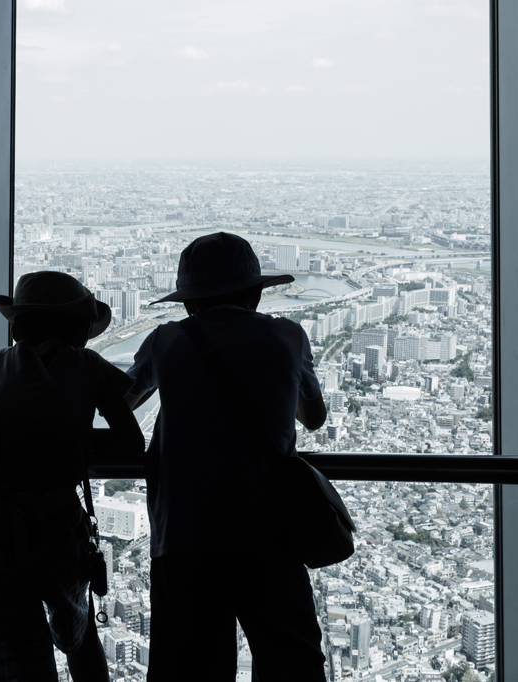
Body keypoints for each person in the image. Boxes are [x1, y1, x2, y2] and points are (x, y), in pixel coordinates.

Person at [126, 232, 328, 681]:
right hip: (271, 534)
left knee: (190, 669)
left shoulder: (166, 342)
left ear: (187, 302)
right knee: (291, 665)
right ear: (256, 292)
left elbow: (120, 400)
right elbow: (313, 418)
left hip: (184, 537)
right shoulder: (288, 336)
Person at [0, 271, 144, 682]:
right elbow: (130, 443)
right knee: (80, 634)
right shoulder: (87, 364)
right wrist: (70, 438)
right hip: (50, 531)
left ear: (17, 327)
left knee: (19, 651)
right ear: (79, 329)